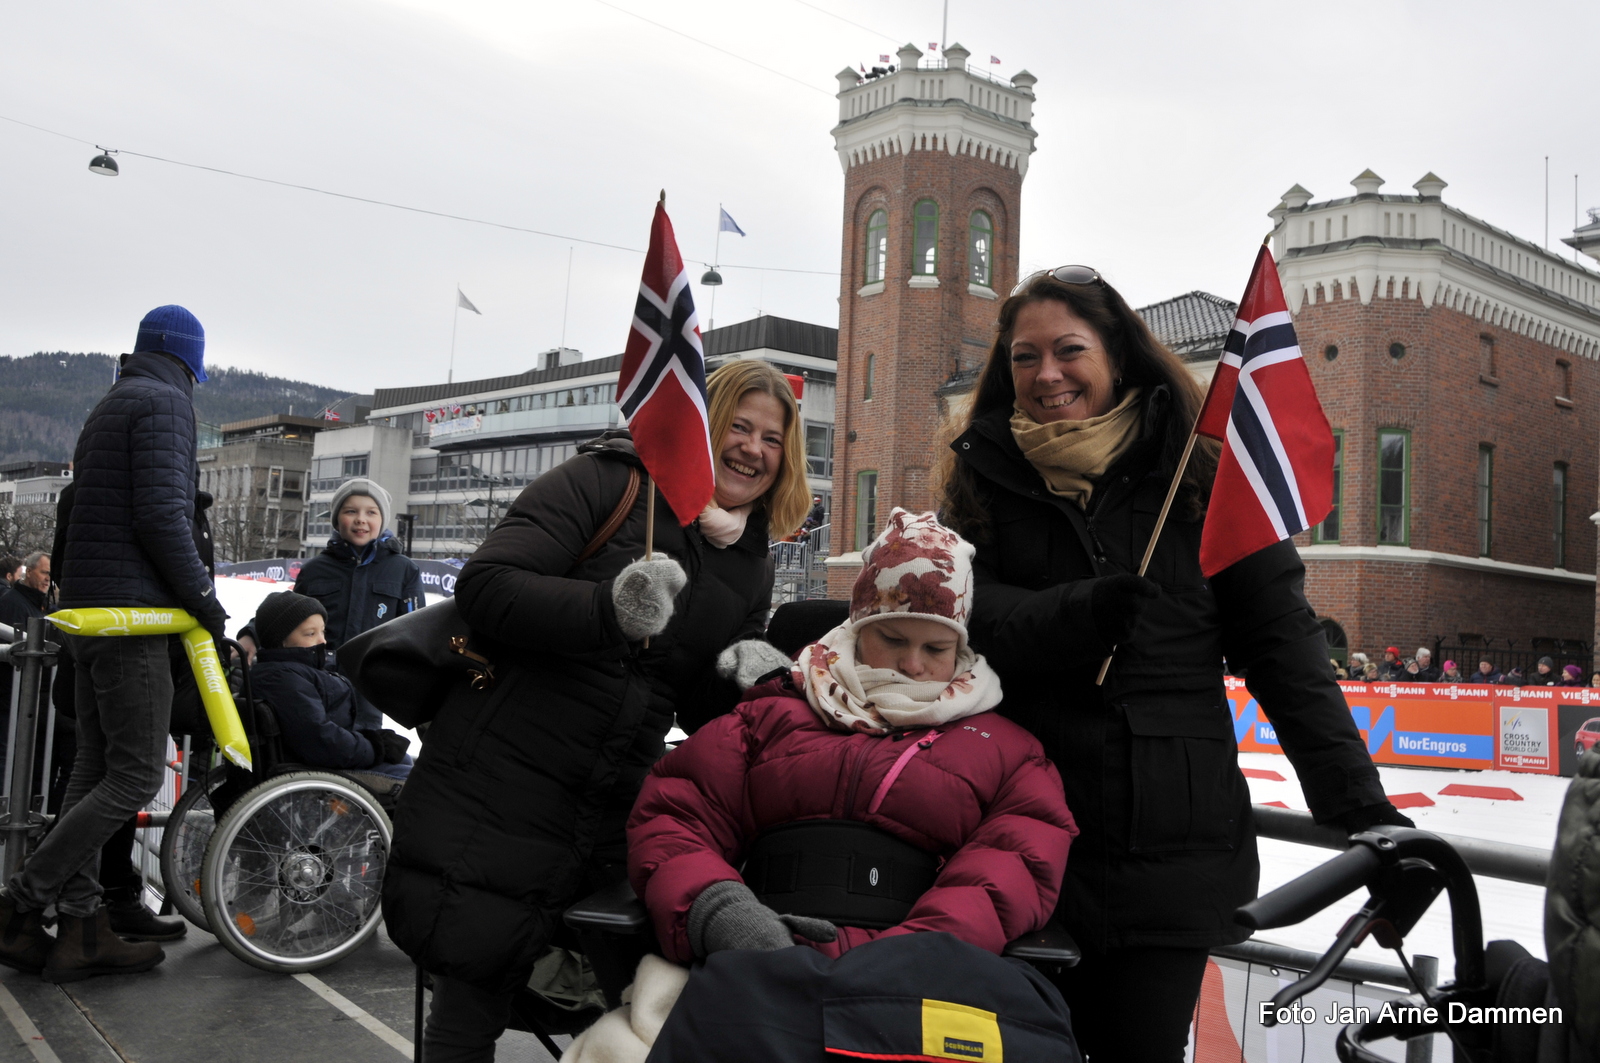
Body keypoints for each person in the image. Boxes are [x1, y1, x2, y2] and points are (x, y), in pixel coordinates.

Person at [938, 267, 1406, 1061]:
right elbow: (957, 620)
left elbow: (1284, 652)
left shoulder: (1205, 480)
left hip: (1172, 855)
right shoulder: (980, 482)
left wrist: (1364, 809)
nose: (1046, 374)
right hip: (1014, 848)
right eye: (1025, 357)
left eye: (1068, 350)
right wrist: (1077, 611)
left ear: (1117, 355)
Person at [385, 358, 811, 1061]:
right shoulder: (610, 481)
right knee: (472, 994)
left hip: (609, 805)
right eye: (738, 426)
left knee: (614, 1001)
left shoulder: (750, 560)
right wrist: (606, 609)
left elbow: (691, 698)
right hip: (501, 783)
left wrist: (744, 680)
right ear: (700, 426)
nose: (752, 449)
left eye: (772, 439)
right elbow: (487, 586)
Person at [586, 511, 1077, 1063]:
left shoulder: (1007, 749)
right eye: (892, 639)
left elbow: (1013, 865)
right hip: (759, 951)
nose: (913, 665)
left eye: (936, 649)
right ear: (857, 629)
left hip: (926, 975)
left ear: (960, 649)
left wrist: (913, 955)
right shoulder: (767, 717)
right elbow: (676, 816)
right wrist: (719, 911)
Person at [0, 305, 225, 982]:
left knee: (94, 768)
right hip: (134, 618)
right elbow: (163, 514)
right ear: (191, 361)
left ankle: (81, 927)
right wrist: (204, 602)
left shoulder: (114, 401)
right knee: (135, 772)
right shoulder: (167, 405)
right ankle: (20, 901)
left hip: (92, 612)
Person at [282, 478, 424, 729]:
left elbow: (418, 630)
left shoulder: (403, 570)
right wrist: (252, 633)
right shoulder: (315, 570)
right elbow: (287, 618)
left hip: (370, 686)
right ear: (337, 519)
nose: (361, 519)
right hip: (319, 683)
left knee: (362, 752)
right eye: (351, 511)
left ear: (382, 520)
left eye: (371, 512)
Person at [247, 591, 412, 779]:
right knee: (412, 778)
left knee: (404, 761)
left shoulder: (298, 671)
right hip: (317, 771)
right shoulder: (281, 679)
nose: (322, 640)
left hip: (328, 761)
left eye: (322, 631)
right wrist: (375, 746)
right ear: (280, 640)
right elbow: (319, 740)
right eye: (310, 633)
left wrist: (374, 741)